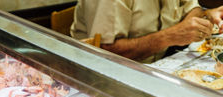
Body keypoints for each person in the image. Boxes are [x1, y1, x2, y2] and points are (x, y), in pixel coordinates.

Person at [70, 0, 223, 63]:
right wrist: (170, 37)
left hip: (157, 66)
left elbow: (191, 7)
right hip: (108, 76)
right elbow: (105, 54)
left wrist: (205, 16)